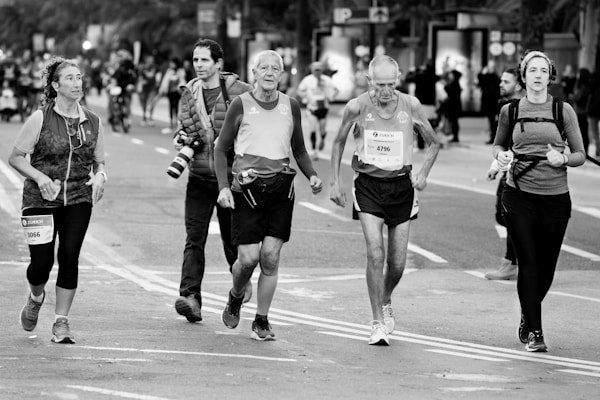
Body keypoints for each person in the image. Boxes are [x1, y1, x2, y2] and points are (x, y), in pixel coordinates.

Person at [329, 55, 440, 346]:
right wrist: (335, 182)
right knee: (375, 253)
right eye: (380, 85)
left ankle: (385, 297)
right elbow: (339, 141)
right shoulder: (356, 106)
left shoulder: (411, 106)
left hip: (401, 187)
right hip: (367, 185)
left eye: (391, 84)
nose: (386, 91)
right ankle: (377, 321)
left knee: (398, 263)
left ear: (398, 81)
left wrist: (424, 174)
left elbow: (433, 143)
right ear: (369, 82)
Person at [215, 50, 323, 341]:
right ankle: (236, 294)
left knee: (270, 257)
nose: (270, 72)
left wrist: (311, 174)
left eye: (275, 68)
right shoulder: (240, 104)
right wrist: (223, 187)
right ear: (254, 72)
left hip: (280, 190)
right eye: (264, 67)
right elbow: (220, 148)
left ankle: (261, 320)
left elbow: (298, 148)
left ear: (281, 74)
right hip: (247, 191)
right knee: (248, 260)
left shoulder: (291, 106)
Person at [8, 56, 107, 344]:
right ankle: (36, 296)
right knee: (40, 264)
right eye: (70, 78)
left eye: (79, 77)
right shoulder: (40, 118)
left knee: (69, 257)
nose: (77, 83)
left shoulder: (93, 121)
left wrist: (101, 177)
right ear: (55, 85)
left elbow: (100, 163)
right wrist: (40, 178)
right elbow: (15, 157)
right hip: (40, 199)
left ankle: (61, 321)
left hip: (78, 198)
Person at [493, 50, 585, 352]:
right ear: (523, 75)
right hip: (518, 194)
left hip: (556, 198)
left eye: (543, 71)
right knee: (529, 263)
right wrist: (501, 156)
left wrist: (563, 159)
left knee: (546, 269)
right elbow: (498, 145)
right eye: (531, 70)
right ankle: (535, 330)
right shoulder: (510, 111)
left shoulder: (563, 110)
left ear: (550, 76)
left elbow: (580, 155)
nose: (537, 75)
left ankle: (527, 311)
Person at [171, 38, 252, 323]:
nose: (199, 65)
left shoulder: (241, 93)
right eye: (195, 60)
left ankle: (239, 287)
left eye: (204, 60)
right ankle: (191, 298)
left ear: (218, 63)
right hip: (198, 178)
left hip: (229, 181)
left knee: (233, 243)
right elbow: (184, 128)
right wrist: (180, 138)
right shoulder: (188, 93)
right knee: (194, 239)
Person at [485, 67, 524, 280]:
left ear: (518, 85)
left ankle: (512, 263)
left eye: (506, 81)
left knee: (510, 215)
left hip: (519, 172)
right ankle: (513, 262)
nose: (501, 84)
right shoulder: (507, 107)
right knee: (504, 215)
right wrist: (495, 166)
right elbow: (504, 143)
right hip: (508, 168)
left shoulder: (519, 109)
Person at [297, 61, 339, 159]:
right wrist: (304, 97)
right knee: (313, 129)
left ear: (322, 70)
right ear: (312, 70)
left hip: (323, 108)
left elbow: (336, 90)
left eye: (319, 70)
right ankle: (314, 151)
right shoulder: (307, 80)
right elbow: (299, 91)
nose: (317, 72)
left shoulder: (327, 80)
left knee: (322, 130)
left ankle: (322, 139)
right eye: (315, 69)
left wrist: (331, 97)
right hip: (312, 108)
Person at [159, 57, 186, 134]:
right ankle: (171, 122)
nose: (171, 64)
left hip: (177, 92)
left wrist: (180, 88)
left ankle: (177, 122)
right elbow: (165, 81)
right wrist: (162, 89)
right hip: (170, 92)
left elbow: (182, 81)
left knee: (177, 106)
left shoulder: (180, 71)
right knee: (171, 106)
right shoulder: (169, 71)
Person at [478, 60, 501, 144]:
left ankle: (494, 137)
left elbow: (484, 83)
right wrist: (482, 74)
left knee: (493, 121)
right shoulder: (489, 77)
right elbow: (481, 82)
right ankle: (493, 137)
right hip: (489, 102)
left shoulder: (494, 77)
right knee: (491, 120)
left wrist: (483, 74)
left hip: (492, 103)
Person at [570, 68, 590, 155]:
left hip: (581, 112)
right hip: (581, 111)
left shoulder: (583, 86)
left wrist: (573, 97)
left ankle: (583, 150)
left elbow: (577, 98)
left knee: (582, 132)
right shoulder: (584, 85)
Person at [137, 54, 159, 126]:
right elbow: (140, 77)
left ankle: (150, 117)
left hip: (152, 88)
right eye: (149, 59)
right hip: (144, 88)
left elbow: (154, 75)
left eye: (151, 59)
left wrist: (157, 82)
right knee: (144, 103)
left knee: (151, 102)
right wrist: (141, 82)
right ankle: (144, 117)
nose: (150, 61)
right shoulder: (142, 68)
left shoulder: (155, 67)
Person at [586, 71, 600, 157]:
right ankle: (598, 150)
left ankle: (598, 150)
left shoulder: (592, 90)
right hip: (594, 111)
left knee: (595, 133)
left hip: (593, 112)